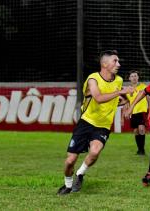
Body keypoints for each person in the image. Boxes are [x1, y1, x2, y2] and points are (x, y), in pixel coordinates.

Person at [57, 50, 134, 195]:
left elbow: (114, 100)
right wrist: (120, 93)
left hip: (103, 126)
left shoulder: (118, 80)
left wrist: (126, 102)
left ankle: (80, 174)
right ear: (104, 64)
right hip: (86, 122)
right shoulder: (93, 79)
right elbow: (98, 97)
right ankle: (67, 185)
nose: (119, 64)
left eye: (118, 61)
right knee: (70, 161)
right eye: (115, 61)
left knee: (95, 151)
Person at [123, 70, 150, 155]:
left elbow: (148, 100)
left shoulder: (143, 87)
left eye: (135, 76)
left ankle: (142, 150)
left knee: (141, 129)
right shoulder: (127, 90)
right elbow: (127, 102)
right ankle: (139, 150)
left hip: (142, 112)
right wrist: (125, 113)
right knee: (136, 131)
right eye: (132, 76)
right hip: (133, 113)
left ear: (138, 77)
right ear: (129, 78)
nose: (134, 78)